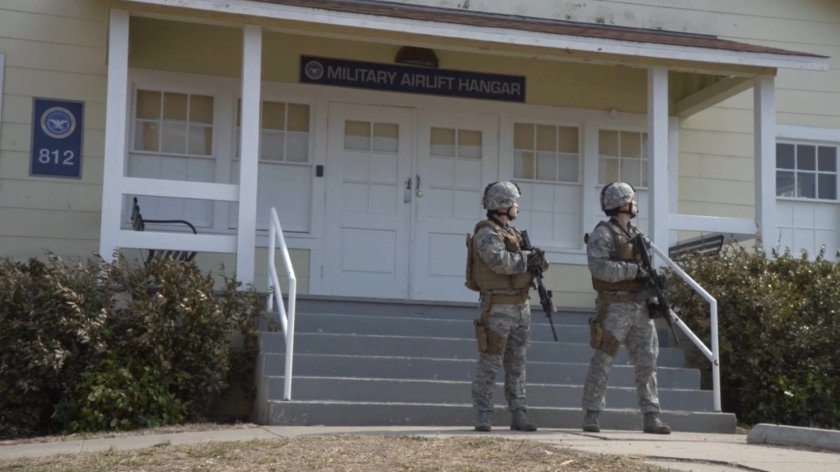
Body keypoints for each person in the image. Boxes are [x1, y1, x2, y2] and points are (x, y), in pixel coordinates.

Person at [581, 182, 671, 434]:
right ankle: (592, 413)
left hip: (639, 307)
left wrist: (654, 291)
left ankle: (652, 415)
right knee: (603, 360)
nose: (635, 205)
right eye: (631, 200)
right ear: (622, 204)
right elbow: (599, 267)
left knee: (647, 362)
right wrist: (634, 271)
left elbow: (646, 270)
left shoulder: (636, 234)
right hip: (614, 308)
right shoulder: (603, 233)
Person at [467, 181, 548, 432]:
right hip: (498, 307)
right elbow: (499, 262)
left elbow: (523, 263)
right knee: (490, 361)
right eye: (514, 202)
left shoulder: (512, 232)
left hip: (520, 306)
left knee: (517, 363)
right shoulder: (486, 233)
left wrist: (538, 262)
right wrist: (527, 258)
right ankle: (483, 413)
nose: (517, 207)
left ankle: (519, 412)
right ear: (502, 205)